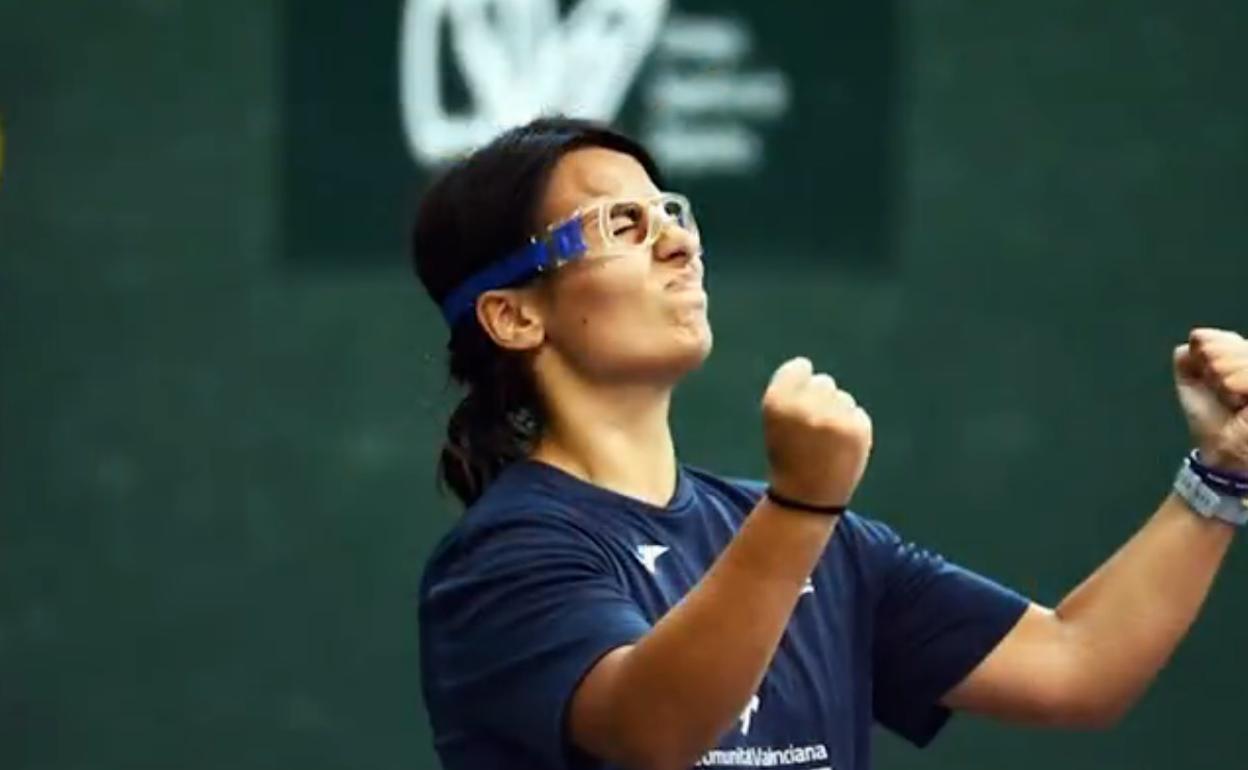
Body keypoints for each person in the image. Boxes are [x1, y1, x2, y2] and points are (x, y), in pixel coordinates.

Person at [411, 116, 1248, 770]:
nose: (679, 239)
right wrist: (802, 505)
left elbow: (1077, 666)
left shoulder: (819, 541)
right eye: (620, 224)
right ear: (514, 315)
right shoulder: (505, 558)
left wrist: (1221, 475)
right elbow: (655, 731)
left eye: (670, 210)